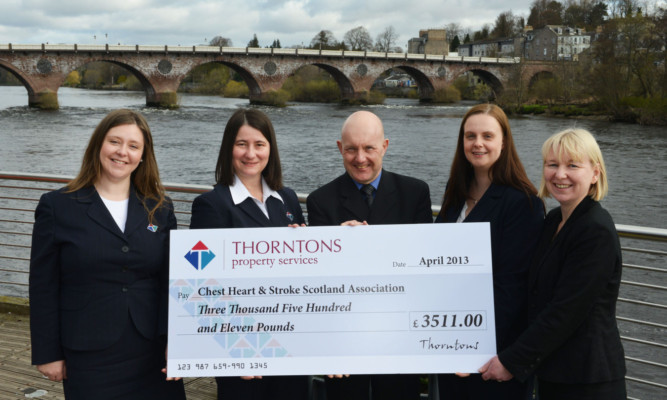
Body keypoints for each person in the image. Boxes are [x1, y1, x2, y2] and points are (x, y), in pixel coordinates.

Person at [29, 109, 186, 400]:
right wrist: (47, 352)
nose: (122, 152)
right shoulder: (57, 206)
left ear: (142, 156)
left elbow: (171, 282)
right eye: (115, 141)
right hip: (89, 354)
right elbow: (43, 286)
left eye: (133, 146)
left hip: (152, 350)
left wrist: (176, 341)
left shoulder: (160, 208)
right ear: (99, 145)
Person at [480, 128, 627, 399]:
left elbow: (565, 311)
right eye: (552, 164)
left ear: (595, 173)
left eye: (572, 165)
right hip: (555, 372)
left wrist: (512, 361)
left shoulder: (596, 231)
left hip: (588, 381)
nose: (560, 174)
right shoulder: (554, 221)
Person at [306, 110, 432, 400]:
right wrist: (334, 244)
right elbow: (319, 282)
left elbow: (425, 268)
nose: (360, 158)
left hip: (400, 334)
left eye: (369, 148)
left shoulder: (415, 194)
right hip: (345, 341)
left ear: (385, 146)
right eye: (351, 149)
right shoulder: (320, 202)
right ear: (340, 148)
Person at [189, 108, 309, 400]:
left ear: (271, 149)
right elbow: (199, 283)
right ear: (228, 148)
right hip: (243, 349)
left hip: (290, 340)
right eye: (241, 144)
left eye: (259, 144)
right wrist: (235, 349)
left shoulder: (288, 199)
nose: (250, 153)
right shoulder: (211, 205)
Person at [435, 104, 544, 400]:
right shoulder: (455, 193)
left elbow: (512, 288)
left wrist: (470, 349)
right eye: (470, 136)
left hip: (493, 356)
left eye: (487, 135)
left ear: (504, 141)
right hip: (451, 345)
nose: (477, 143)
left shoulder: (523, 202)